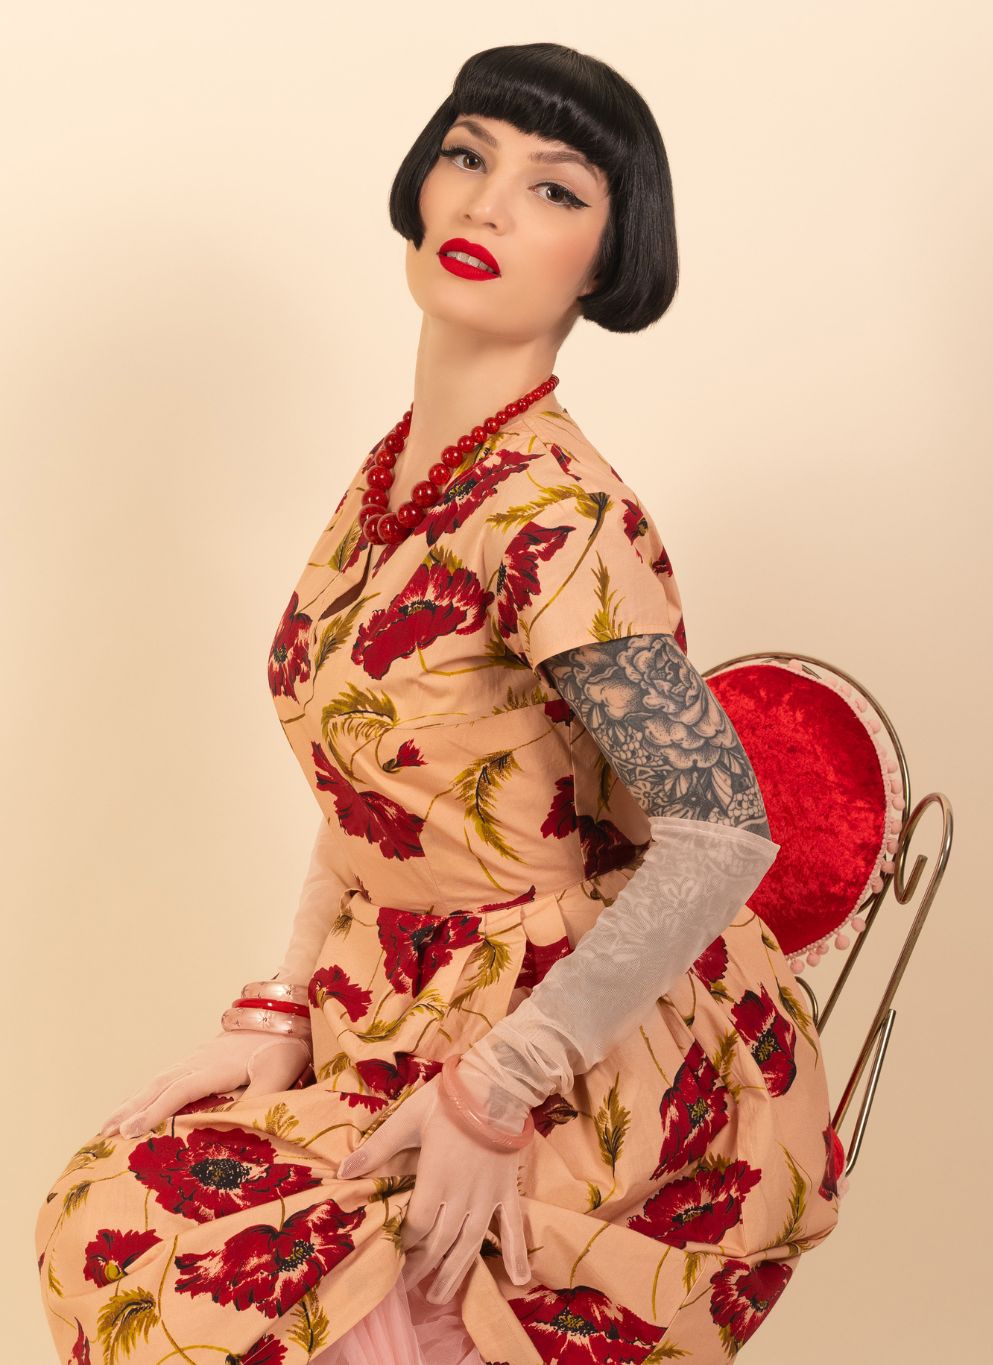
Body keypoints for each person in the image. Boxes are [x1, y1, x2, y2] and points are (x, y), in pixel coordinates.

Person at [34, 41, 843, 1365]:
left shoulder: (555, 509)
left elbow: (722, 827)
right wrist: (280, 1006)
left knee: (223, 1302)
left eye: (555, 187)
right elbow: (380, 782)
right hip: (393, 1002)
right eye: (468, 156)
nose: (486, 203)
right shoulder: (394, 474)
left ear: (607, 257)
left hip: (579, 1039)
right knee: (102, 1216)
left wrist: (502, 1083)